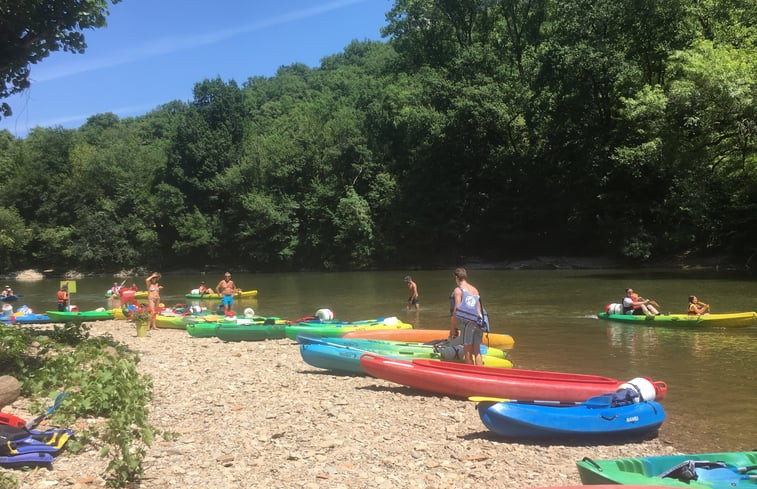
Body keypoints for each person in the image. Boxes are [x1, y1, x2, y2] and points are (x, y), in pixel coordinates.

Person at [449, 267, 484, 365]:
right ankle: (480, 374)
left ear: (456, 277)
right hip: (478, 322)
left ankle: (471, 375)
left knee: (467, 352)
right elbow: (479, 309)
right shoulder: (474, 289)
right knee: (477, 351)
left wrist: (453, 328)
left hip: (467, 323)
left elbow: (456, 310)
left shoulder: (458, 290)